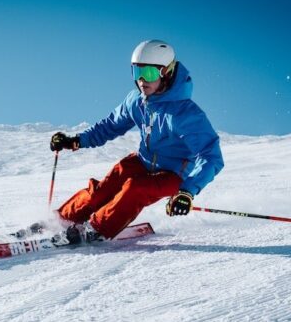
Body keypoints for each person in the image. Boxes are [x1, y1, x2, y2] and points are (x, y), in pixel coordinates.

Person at [49, 39, 224, 244]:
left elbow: (211, 156)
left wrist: (187, 191)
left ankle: (96, 229)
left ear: (165, 72)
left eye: (148, 73)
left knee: (136, 188)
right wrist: (75, 141)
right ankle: (61, 220)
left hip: (175, 174)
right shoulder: (136, 101)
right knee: (104, 188)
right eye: (136, 72)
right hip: (143, 161)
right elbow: (110, 126)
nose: (141, 80)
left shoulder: (185, 114)